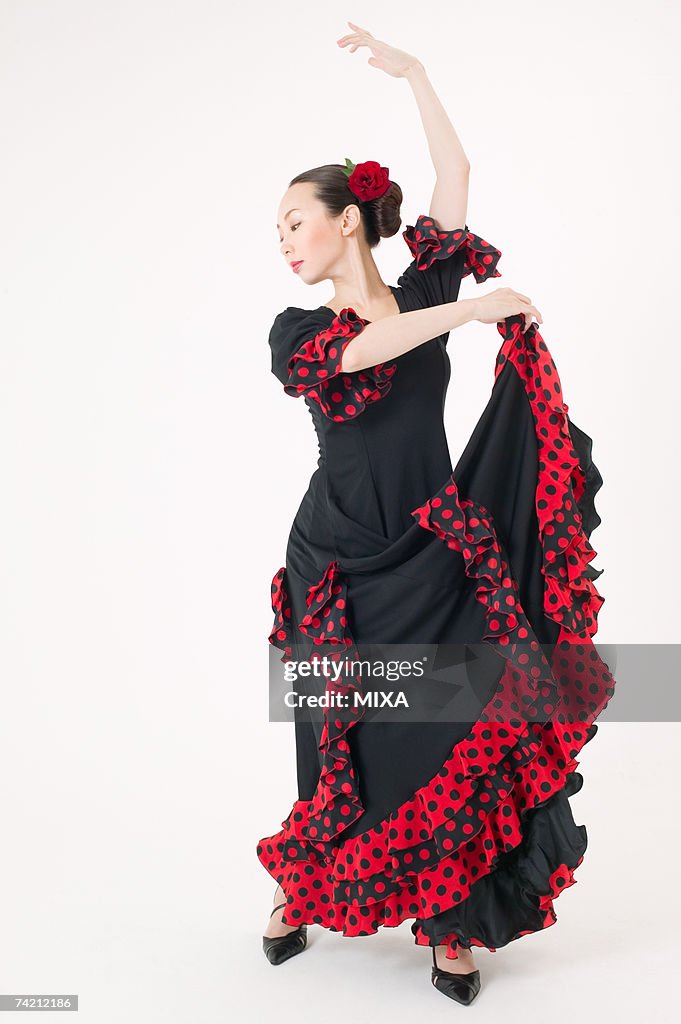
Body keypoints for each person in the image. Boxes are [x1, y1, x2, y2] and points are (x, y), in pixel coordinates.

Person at [257, 24, 615, 1006]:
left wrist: (414, 74)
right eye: (279, 229)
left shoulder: (417, 285)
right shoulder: (302, 333)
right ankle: (305, 885)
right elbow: (369, 354)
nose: (285, 241)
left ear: (345, 220)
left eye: (296, 220)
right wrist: (472, 310)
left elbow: (453, 171)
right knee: (342, 735)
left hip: (431, 549)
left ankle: (453, 919)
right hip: (334, 560)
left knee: (445, 726)